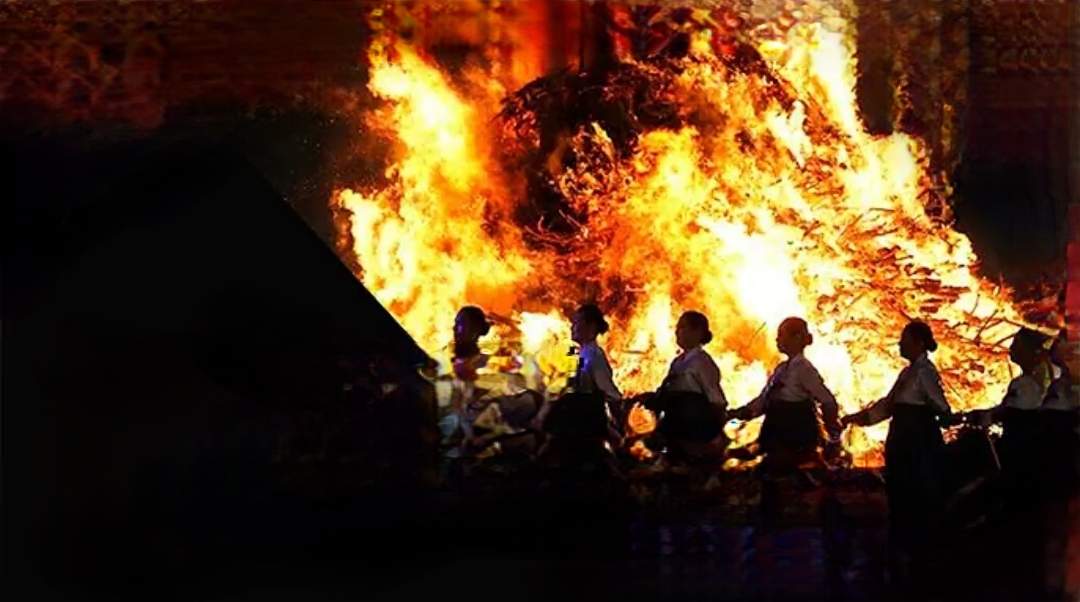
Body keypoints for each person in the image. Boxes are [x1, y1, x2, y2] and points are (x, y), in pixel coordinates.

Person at [841, 320, 955, 596]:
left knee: (917, 499)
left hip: (917, 443)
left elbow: (940, 405)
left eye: (905, 339)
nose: (900, 344)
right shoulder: (908, 373)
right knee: (901, 499)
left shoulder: (925, 372)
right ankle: (903, 565)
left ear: (918, 342)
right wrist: (860, 418)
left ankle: (921, 568)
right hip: (903, 441)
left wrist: (948, 418)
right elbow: (888, 405)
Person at [731, 317, 842, 469]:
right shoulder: (781, 369)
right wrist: (741, 412)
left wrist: (832, 431)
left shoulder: (804, 369)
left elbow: (827, 400)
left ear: (796, 338)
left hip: (795, 435)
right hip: (776, 434)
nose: (777, 339)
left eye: (781, 335)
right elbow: (765, 399)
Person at [649, 311, 729, 463]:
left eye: (683, 327)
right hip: (673, 424)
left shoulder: (702, 362)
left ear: (698, 332)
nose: (677, 332)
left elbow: (715, 398)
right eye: (677, 327)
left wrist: (718, 429)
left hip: (694, 427)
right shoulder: (677, 362)